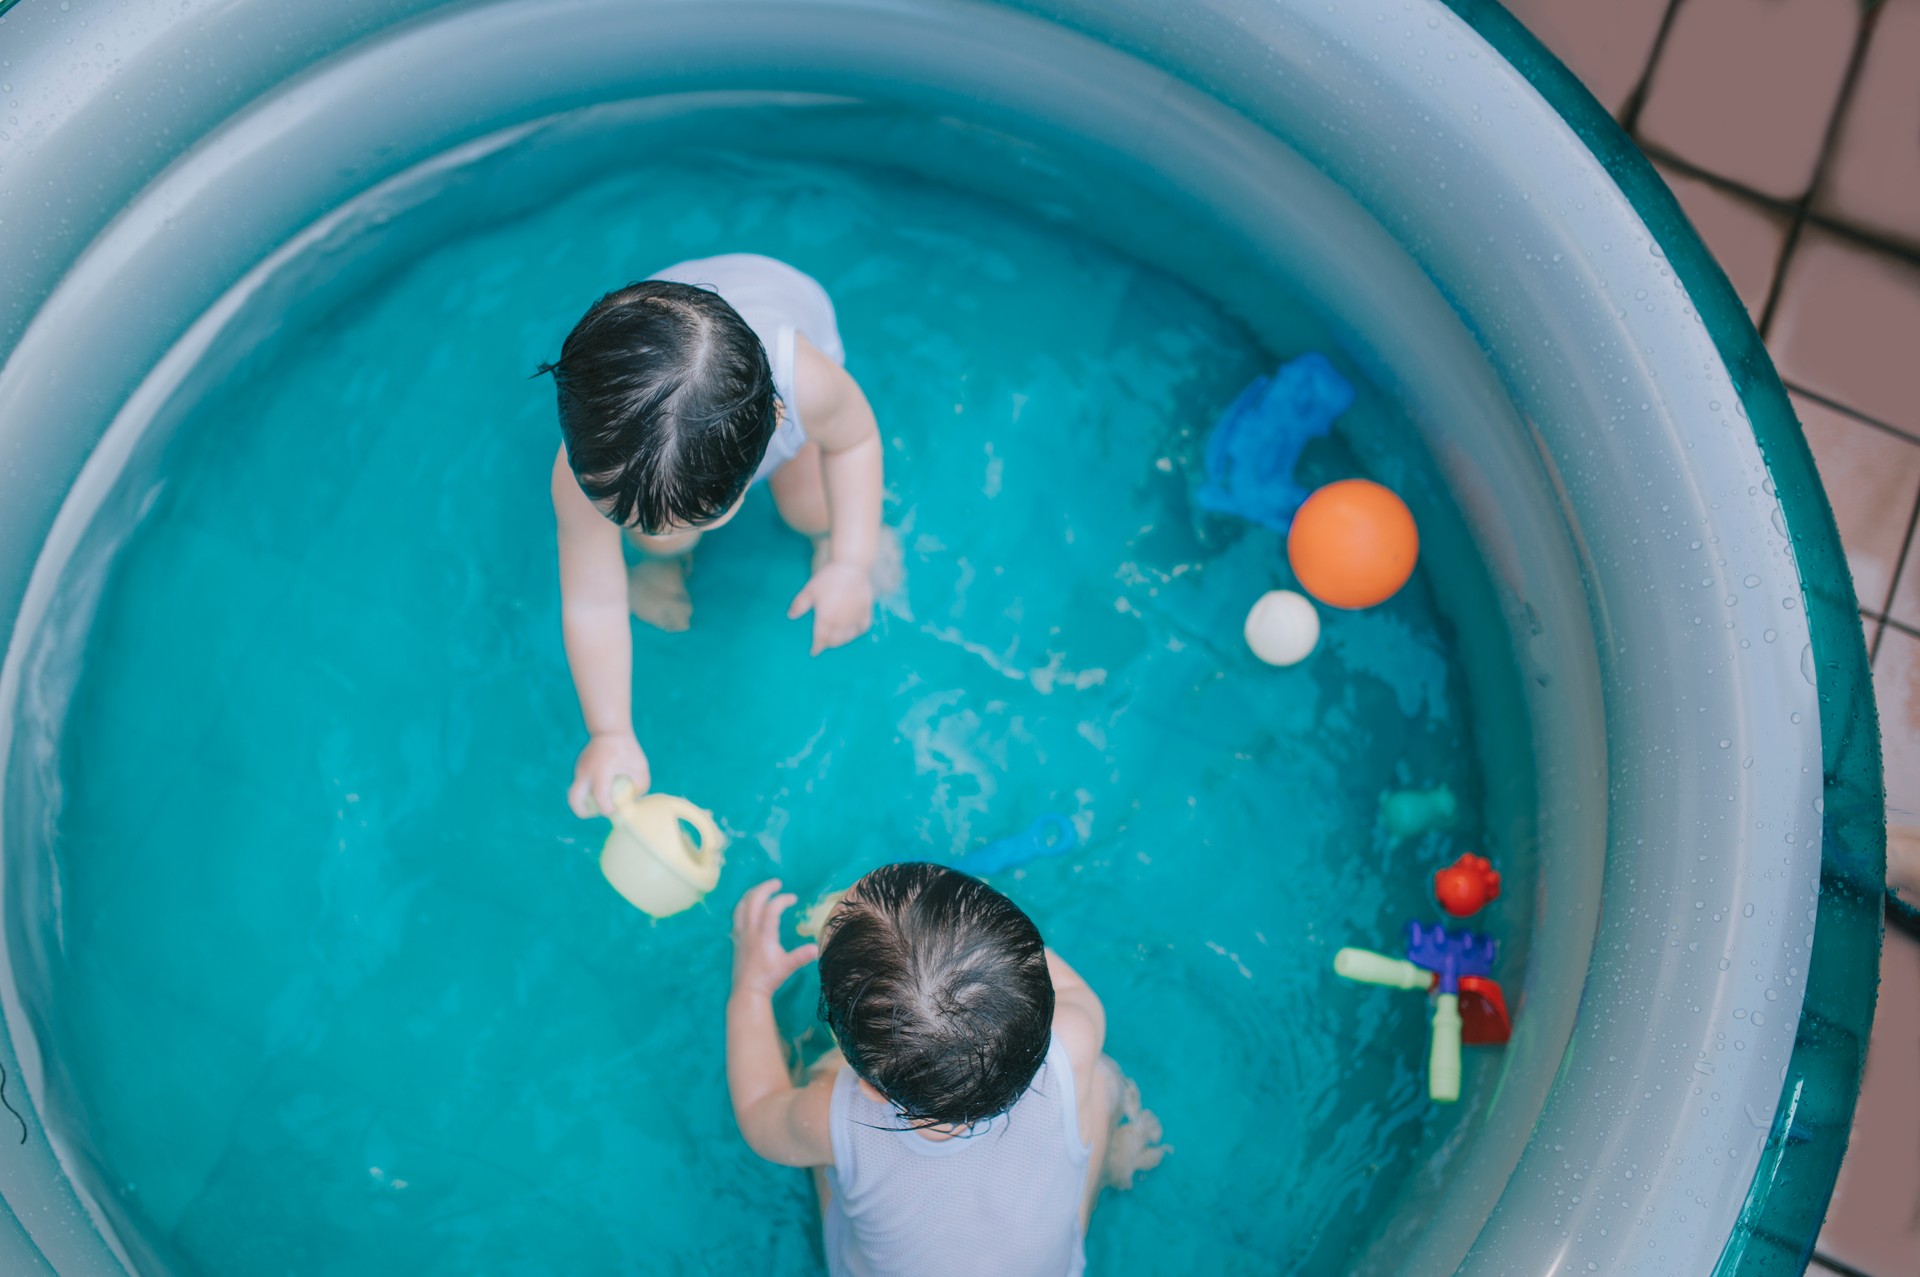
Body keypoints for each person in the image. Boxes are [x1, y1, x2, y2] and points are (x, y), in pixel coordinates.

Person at [543, 255, 886, 815]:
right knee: (662, 536)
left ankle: (833, 543)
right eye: (624, 519)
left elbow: (856, 441)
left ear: (775, 423)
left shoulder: (807, 385)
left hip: (785, 310)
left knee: (808, 507)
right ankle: (664, 559)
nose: (645, 527)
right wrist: (610, 733)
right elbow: (591, 601)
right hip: (661, 349)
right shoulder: (587, 472)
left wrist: (851, 560)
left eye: (700, 515)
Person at [726, 865, 1167, 1276]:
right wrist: (979, 926)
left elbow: (759, 1113)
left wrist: (751, 988)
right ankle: (1117, 1156)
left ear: (874, 1091)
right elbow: (1040, 972)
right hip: (1054, 1267)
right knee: (1102, 1079)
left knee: (817, 1084)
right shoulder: (1077, 1035)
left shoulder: (840, 1115)